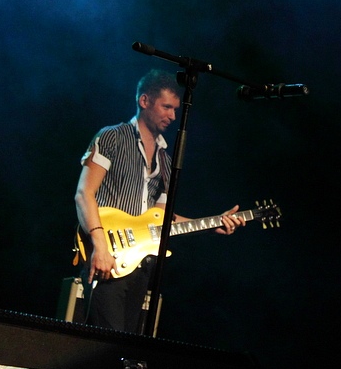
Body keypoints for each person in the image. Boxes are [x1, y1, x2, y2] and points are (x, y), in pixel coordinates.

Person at [73, 68, 246, 333]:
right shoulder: (112, 137)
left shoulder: (166, 159)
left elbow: (164, 219)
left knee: (127, 349)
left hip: (140, 264)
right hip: (108, 256)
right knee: (107, 346)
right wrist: (100, 247)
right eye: (166, 107)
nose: (173, 116)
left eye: (175, 109)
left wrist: (213, 224)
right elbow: (84, 194)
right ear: (144, 101)